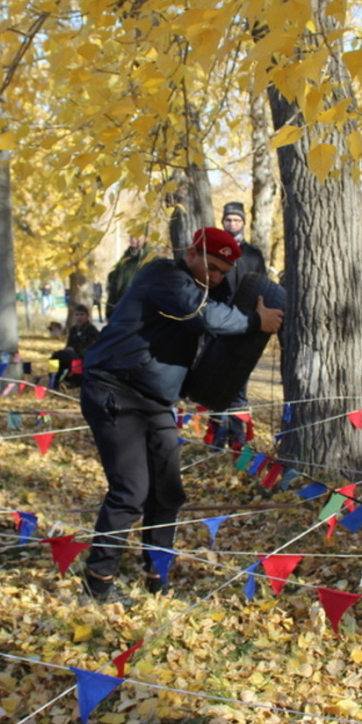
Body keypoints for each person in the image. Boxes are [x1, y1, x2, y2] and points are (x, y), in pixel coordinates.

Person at [80, 227, 284, 605]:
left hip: (156, 401)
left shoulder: (202, 283)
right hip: (114, 391)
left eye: (224, 272)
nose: (217, 277)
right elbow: (205, 316)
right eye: (212, 267)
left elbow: (222, 302)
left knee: (168, 492)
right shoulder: (165, 277)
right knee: (130, 492)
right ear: (192, 253)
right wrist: (256, 322)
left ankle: (156, 574)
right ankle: (97, 584)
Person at [207, 202, 268, 451]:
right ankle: (216, 437)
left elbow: (263, 287)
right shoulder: (213, 251)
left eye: (236, 220)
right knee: (213, 382)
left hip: (245, 326)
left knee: (239, 385)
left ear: (244, 222)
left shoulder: (253, 255)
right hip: (217, 325)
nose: (232, 224)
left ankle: (237, 436)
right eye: (228, 219)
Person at [105, 234, 154, 319]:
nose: (132, 238)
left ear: (146, 238)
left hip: (142, 315)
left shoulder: (152, 260)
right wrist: (109, 312)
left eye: (136, 235)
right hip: (120, 312)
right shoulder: (125, 260)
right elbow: (114, 287)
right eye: (131, 235)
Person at [50, 304, 98, 387]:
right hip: (71, 353)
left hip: (85, 356)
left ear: (87, 316)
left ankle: (75, 381)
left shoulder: (92, 330)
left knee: (75, 359)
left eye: (82, 315)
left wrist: (75, 350)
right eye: (77, 315)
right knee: (55, 356)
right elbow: (69, 344)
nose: (79, 317)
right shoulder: (73, 329)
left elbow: (92, 347)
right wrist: (69, 348)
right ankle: (53, 378)